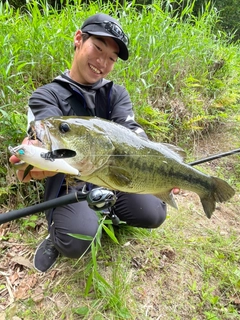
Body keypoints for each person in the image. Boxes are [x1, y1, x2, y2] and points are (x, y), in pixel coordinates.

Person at [9, 13, 178, 273]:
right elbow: (42, 138)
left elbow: (134, 133)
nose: (102, 61)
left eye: (111, 58)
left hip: (113, 175)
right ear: (78, 39)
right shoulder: (47, 95)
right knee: (78, 239)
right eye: (98, 48)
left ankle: (106, 211)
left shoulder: (116, 94)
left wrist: (163, 167)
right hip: (69, 182)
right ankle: (59, 232)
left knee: (154, 212)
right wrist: (31, 158)